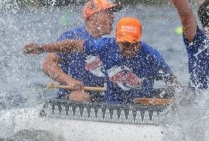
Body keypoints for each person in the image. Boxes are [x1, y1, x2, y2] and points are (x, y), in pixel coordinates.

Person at [24, 17, 179, 105]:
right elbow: (74, 44)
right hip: (112, 107)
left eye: (132, 45)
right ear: (117, 39)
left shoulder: (152, 56)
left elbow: (172, 81)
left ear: (139, 42)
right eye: (123, 44)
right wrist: (43, 48)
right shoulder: (106, 46)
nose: (127, 49)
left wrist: (183, 100)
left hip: (140, 106)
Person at [42, 0, 121, 102]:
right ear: (93, 16)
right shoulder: (72, 37)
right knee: (81, 97)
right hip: (74, 95)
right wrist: (69, 81)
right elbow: (47, 64)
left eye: (112, 13)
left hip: (102, 95)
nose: (112, 17)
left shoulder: (107, 44)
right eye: (107, 13)